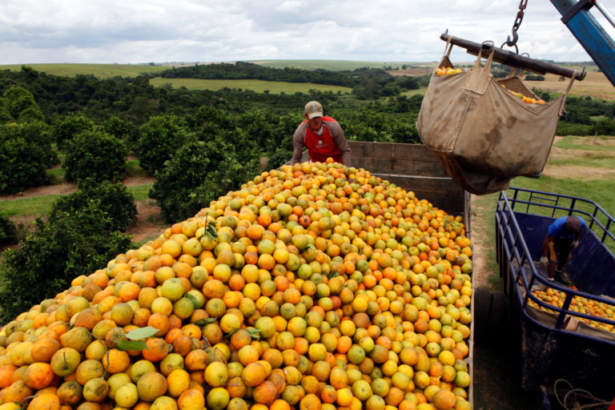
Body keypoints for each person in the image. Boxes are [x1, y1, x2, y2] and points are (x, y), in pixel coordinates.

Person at [289, 101, 351, 166]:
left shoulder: (333, 125)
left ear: (322, 113)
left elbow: (345, 150)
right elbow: (296, 158)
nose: (317, 120)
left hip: (336, 163)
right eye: (313, 117)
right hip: (315, 165)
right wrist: (291, 172)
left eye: (318, 116)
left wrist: (345, 170)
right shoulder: (301, 131)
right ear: (306, 116)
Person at [540, 215, 586, 283]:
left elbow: (581, 229)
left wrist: (576, 240)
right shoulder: (556, 226)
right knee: (553, 257)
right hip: (556, 238)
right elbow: (547, 240)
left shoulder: (582, 222)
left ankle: (558, 272)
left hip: (568, 239)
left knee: (565, 255)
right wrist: (544, 256)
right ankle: (550, 279)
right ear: (566, 226)